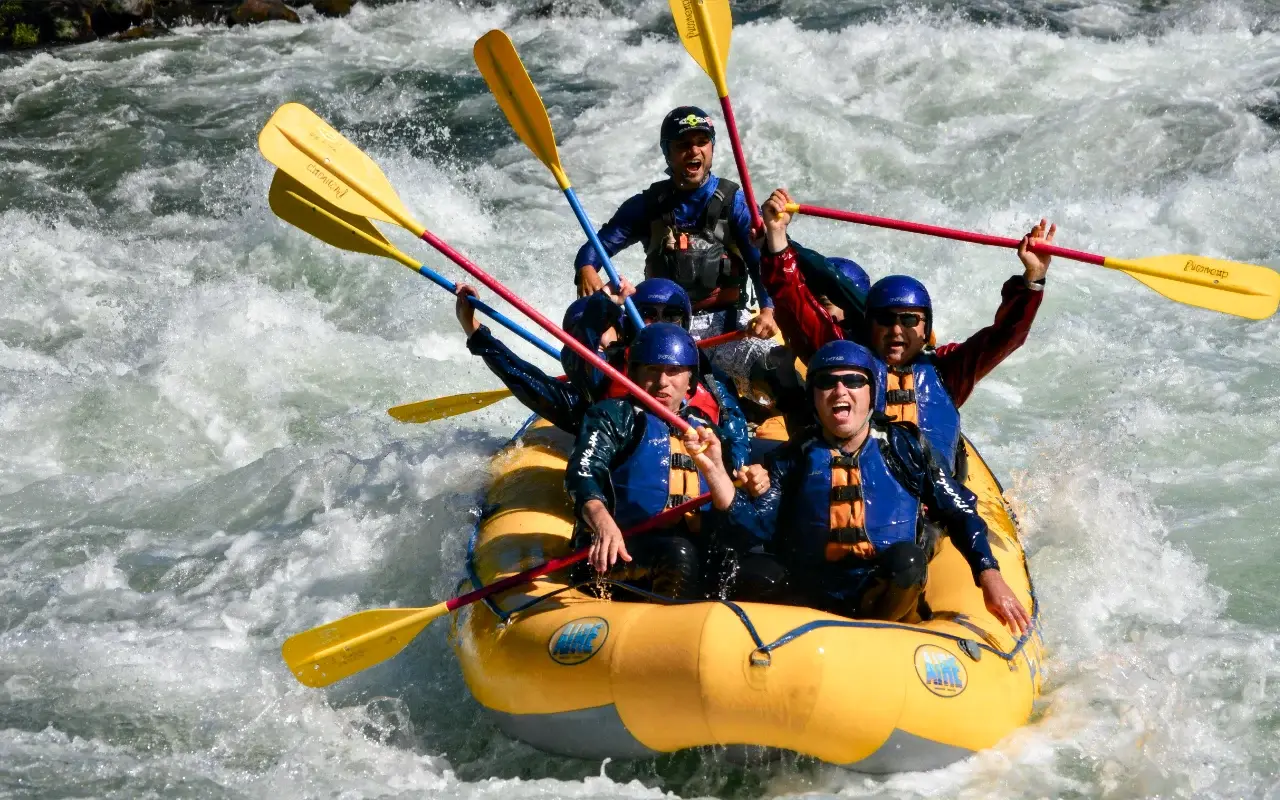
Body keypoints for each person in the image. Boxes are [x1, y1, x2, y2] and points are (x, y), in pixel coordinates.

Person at [683, 339, 1031, 633]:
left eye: (852, 381)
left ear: (871, 392)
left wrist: (989, 574)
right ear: (814, 396)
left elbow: (958, 511)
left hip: (879, 592)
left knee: (907, 560)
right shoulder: (794, 457)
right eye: (827, 383)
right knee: (755, 573)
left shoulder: (905, 448)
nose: (840, 391)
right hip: (812, 592)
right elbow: (750, 529)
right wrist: (716, 473)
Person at [757, 187, 1053, 472]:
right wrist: (777, 236)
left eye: (909, 320)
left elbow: (1006, 335)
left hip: (935, 505)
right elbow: (795, 304)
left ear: (926, 330)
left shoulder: (948, 370)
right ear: (868, 325)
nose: (896, 330)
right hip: (869, 496)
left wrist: (1033, 278)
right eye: (885, 320)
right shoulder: (845, 360)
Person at [572, 106, 779, 391]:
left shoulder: (735, 204)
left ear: (712, 148)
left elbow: (762, 265)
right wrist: (586, 268)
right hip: (663, 327)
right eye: (683, 145)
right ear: (668, 153)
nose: (694, 151)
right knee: (591, 335)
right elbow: (596, 247)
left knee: (777, 374)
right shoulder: (647, 205)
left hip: (725, 326)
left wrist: (768, 310)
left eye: (702, 142)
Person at [565, 323, 770, 600]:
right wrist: (602, 522)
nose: (663, 382)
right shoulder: (613, 415)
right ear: (635, 373)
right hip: (616, 552)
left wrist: (751, 481)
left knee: (762, 571)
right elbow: (584, 474)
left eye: (674, 371)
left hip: (685, 548)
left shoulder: (704, 426)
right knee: (679, 556)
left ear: (690, 380)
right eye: (652, 370)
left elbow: (734, 509)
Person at [563, 278, 753, 471]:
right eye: (648, 314)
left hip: (696, 481)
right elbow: (576, 360)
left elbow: (734, 431)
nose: (661, 322)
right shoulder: (609, 368)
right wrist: (602, 301)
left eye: (671, 315)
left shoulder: (706, 374)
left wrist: (736, 470)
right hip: (629, 483)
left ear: (685, 321)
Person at [456, 284, 589, 434]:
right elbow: (517, 373)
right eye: (583, 341)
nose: (594, 345)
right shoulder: (581, 409)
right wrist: (470, 325)